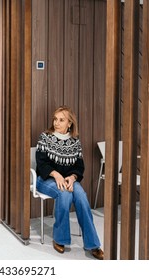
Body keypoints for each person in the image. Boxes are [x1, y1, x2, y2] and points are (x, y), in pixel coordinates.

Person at [35, 106, 104, 260]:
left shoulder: (75, 142)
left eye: (61, 120)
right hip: (46, 180)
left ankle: (93, 244)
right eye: (55, 119)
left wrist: (72, 177)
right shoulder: (45, 137)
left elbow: (79, 167)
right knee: (64, 194)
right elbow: (41, 163)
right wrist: (56, 175)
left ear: (70, 124)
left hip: (68, 180)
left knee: (81, 196)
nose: (56, 123)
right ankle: (60, 239)